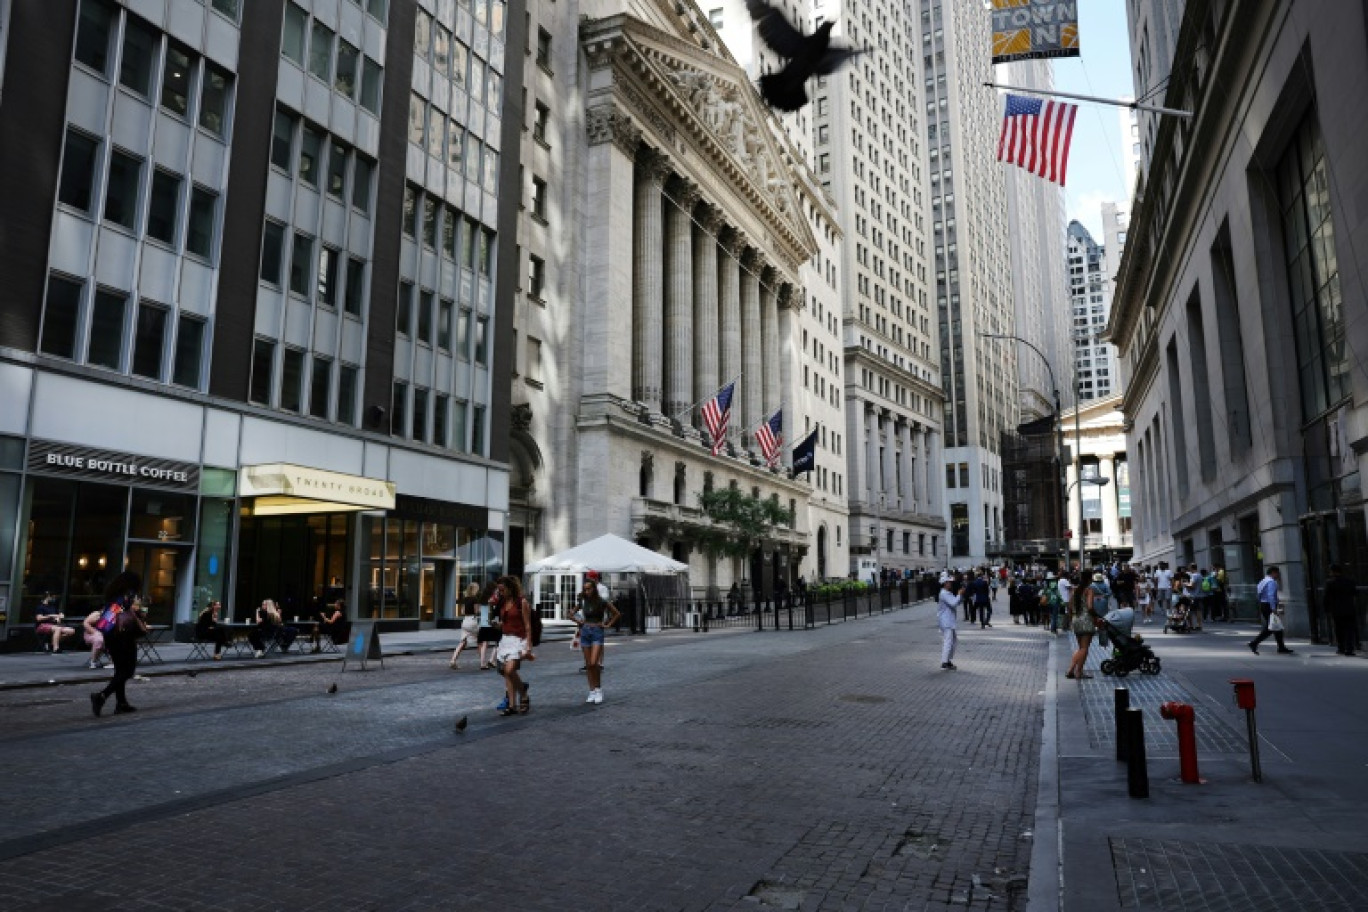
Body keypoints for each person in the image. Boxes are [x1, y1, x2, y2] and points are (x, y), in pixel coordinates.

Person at [91, 572, 147, 717]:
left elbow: (110, 617)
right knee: (128, 670)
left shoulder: (113, 595)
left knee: (120, 671)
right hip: (123, 637)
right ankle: (101, 696)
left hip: (111, 637)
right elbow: (126, 614)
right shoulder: (124, 597)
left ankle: (121, 703)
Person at [574, 576, 622, 703]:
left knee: (594, 663)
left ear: (594, 589)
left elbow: (616, 613)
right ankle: (592, 691)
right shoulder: (583, 601)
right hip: (585, 632)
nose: (587, 592)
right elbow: (570, 613)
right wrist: (579, 621)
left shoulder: (601, 601)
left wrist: (607, 625)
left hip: (597, 632)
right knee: (589, 664)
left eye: (589, 589)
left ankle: (598, 689)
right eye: (585, 589)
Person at [493, 576, 534, 716]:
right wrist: (497, 625)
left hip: (518, 640)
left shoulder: (521, 602)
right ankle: (511, 705)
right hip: (505, 639)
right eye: (499, 590)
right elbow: (505, 623)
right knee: (505, 672)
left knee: (510, 670)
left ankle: (523, 694)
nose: (501, 592)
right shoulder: (503, 602)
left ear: (510, 588)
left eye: (502, 589)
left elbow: (528, 625)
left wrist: (528, 645)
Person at [1248, 566, 1293, 655]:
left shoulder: (1263, 581)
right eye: (1277, 573)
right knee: (1272, 627)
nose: (1278, 575)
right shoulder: (1271, 582)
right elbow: (1271, 595)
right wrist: (1273, 608)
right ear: (1273, 572)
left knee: (1277, 627)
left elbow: (1259, 594)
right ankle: (1254, 643)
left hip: (1264, 604)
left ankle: (1281, 647)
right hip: (1269, 605)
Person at [1323, 564, 1358, 657]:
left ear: (1333, 572)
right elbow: (1355, 593)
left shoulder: (1330, 583)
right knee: (1349, 629)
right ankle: (1349, 648)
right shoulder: (1350, 581)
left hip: (1337, 610)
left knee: (1339, 629)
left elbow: (1326, 597)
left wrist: (1326, 609)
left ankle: (1341, 647)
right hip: (1349, 608)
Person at [1065, 578, 1097, 680]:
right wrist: (1096, 616)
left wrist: (1071, 620)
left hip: (1076, 620)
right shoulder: (1089, 590)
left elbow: (1069, 606)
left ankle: (1074, 670)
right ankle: (1076, 671)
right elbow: (1090, 607)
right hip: (1086, 620)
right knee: (1084, 648)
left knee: (1081, 648)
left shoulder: (1073, 591)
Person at [449, 584, 482, 668]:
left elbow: (462, 611)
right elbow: (477, 611)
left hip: (465, 621)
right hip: (472, 620)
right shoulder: (475, 599)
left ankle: (453, 660)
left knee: (463, 642)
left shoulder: (465, 599)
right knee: (480, 641)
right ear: (475, 589)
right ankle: (483, 662)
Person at [937, 576, 962, 670]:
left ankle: (947, 660)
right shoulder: (944, 593)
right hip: (946, 621)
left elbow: (956, 602)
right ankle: (944, 662)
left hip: (949, 620)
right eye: (949, 582)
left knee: (953, 640)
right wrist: (959, 594)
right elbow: (953, 603)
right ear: (945, 583)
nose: (950, 583)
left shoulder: (948, 593)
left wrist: (960, 596)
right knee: (948, 641)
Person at [476, 584, 501, 669]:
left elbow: (478, 611)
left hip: (483, 624)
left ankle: (482, 663)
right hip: (491, 623)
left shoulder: (482, 599)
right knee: (499, 642)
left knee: (484, 643)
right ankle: (491, 659)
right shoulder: (493, 599)